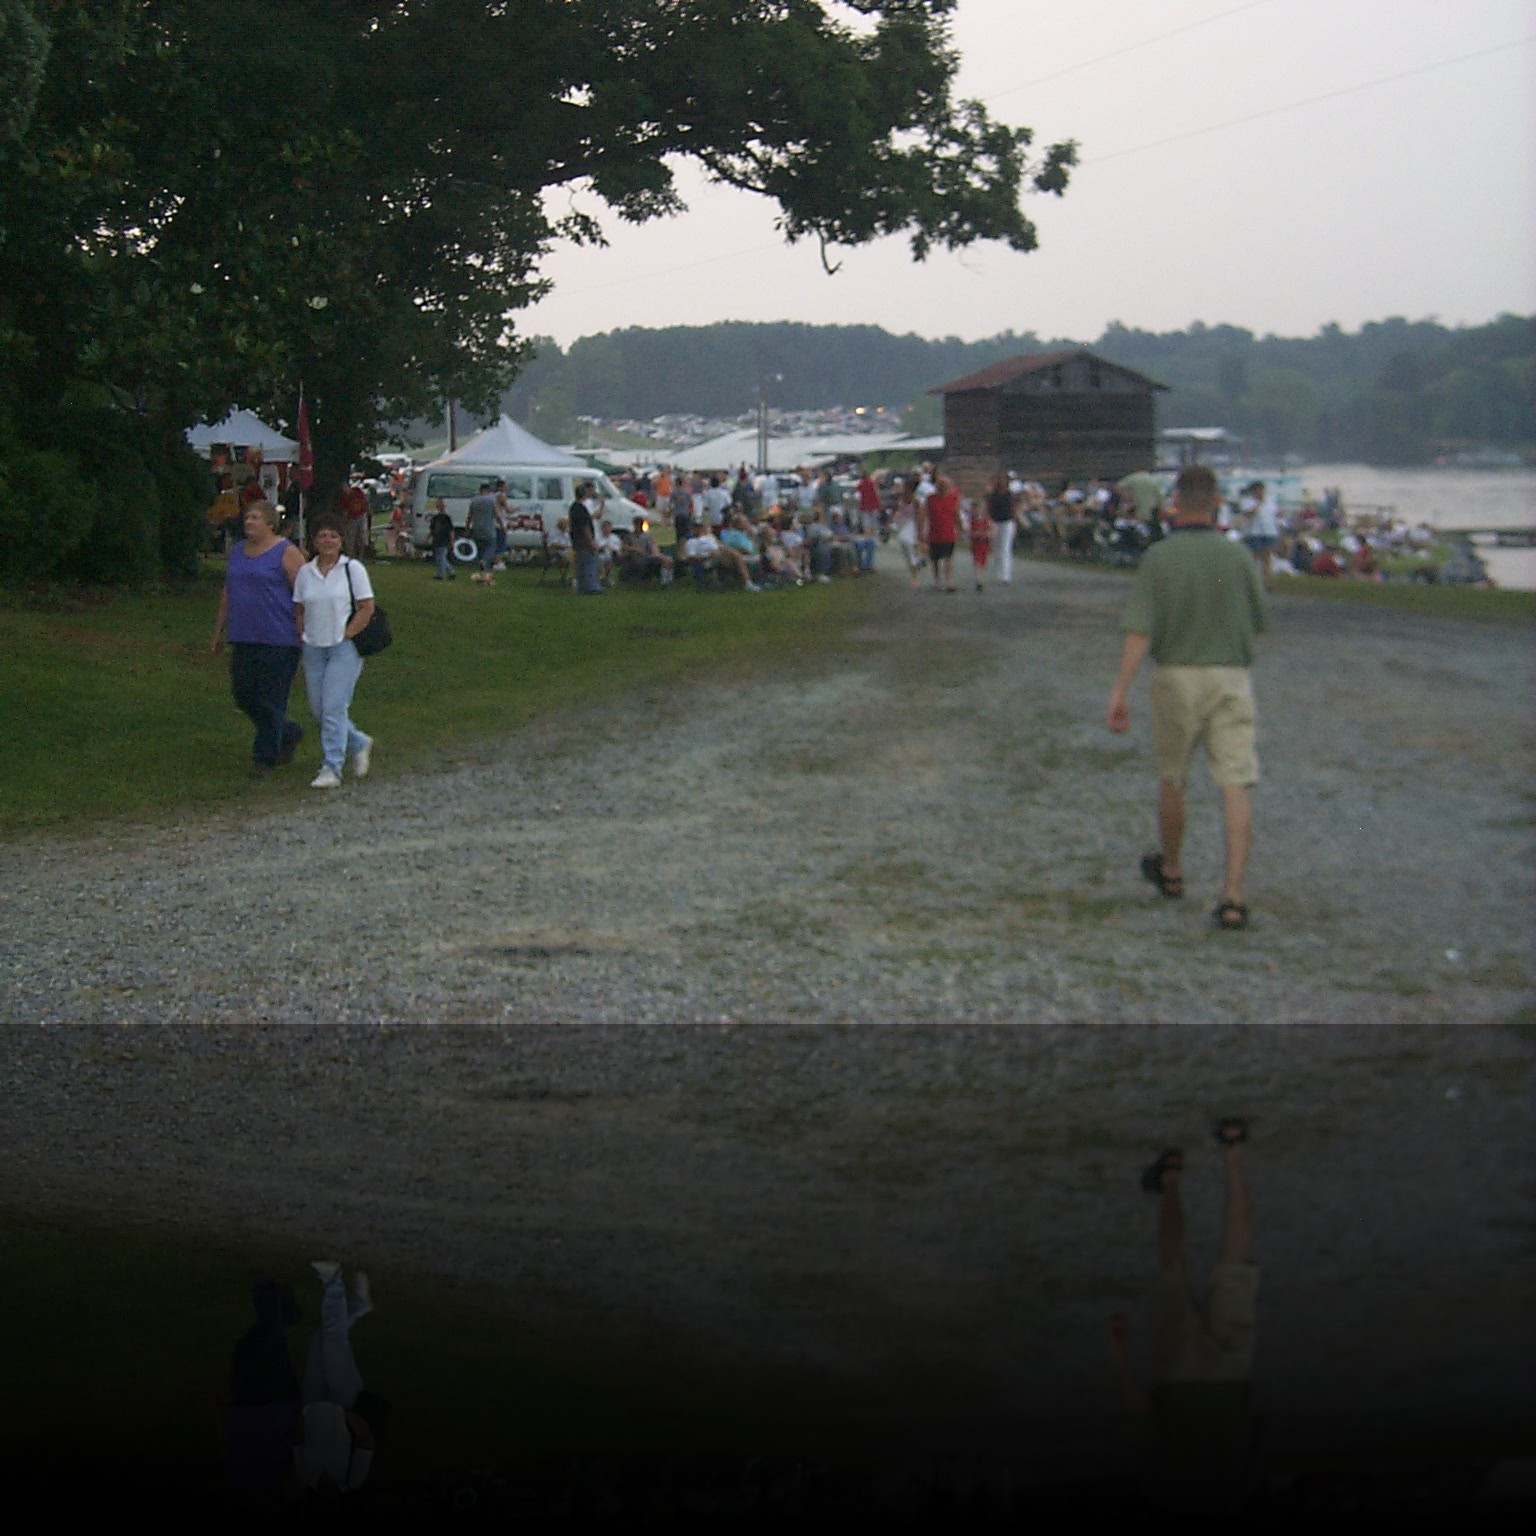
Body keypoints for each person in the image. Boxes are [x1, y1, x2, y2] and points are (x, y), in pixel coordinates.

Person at [1105, 465, 1268, 930]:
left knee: (1174, 775)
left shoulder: (1159, 558)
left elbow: (1140, 629)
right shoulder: (1238, 557)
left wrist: (1120, 691)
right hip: (1230, 676)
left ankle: (1173, 869)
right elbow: (1259, 621)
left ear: (1175, 503)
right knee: (1234, 781)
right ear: (1217, 503)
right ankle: (1232, 894)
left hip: (1176, 675)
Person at [1107, 1120, 1261, 1514]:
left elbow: (1256, 1429)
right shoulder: (1166, 1494)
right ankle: (1172, 1177)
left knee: (1236, 1263)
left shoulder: (1238, 1494)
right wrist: (1120, 1354)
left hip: (1230, 1376)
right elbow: (1141, 1417)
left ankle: (1232, 1152)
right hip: (1178, 1375)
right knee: (1173, 1269)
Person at [212, 499, 305, 776]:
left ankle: (264, 758)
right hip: (244, 634)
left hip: (279, 637)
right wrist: (219, 630)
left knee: (272, 697)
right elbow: (229, 590)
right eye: (246, 518)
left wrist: (303, 631)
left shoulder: (286, 552)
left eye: (254, 518)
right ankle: (288, 732)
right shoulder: (238, 551)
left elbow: (304, 595)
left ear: (270, 523)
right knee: (244, 695)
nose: (248, 522)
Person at [292, 516, 375, 790]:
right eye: (322, 536)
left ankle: (332, 765)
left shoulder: (352, 569)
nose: (327, 541)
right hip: (313, 646)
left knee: (334, 707)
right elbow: (299, 608)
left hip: (343, 647)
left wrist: (348, 634)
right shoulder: (306, 572)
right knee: (319, 709)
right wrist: (302, 635)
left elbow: (366, 607)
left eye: (333, 536)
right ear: (314, 541)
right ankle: (358, 742)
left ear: (341, 541)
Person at [294, 1261, 377, 1494]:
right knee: (333, 1341)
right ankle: (333, 1281)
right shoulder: (351, 1480)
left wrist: (302, 1416)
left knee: (321, 1337)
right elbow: (367, 1442)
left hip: (313, 1405)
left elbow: (298, 1440)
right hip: (344, 1403)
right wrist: (350, 1416)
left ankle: (358, 1306)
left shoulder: (305, 1475)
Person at [921, 473, 960, 592]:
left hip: (948, 532)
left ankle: (948, 581)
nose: (942, 487)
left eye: (945, 485)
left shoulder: (953, 498)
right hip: (934, 533)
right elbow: (924, 514)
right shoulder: (930, 499)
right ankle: (937, 581)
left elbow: (956, 514)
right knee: (935, 559)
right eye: (940, 485)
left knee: (948, 558)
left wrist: (960, 527)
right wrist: (922, 530)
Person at [568, 482, 600, 594]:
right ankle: (591, 587)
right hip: (584, 541)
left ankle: (581, 586)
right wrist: (591, 541)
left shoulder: (573, 507)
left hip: (576, 540)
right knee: (589, 563)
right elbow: (585, 526)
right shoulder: (581, 509)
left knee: (580, 564)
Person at [987, 471, 1017, 585]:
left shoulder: (1009, 494)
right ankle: (998, 572)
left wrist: (1013, 522)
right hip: (995, 522)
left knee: (1005, 548)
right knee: (996, 548)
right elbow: (990, 508)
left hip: (1007, 522)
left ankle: (1006, 575)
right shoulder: (993, 495)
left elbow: (1013, 508)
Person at [466, 481, 498, 583]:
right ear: (488, 490)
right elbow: (497, 514)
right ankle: (484, 561)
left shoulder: (474, 501)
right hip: (489, 529)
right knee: (490, 547)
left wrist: (467, 529)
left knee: (480, 549)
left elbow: (469, 516)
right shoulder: (491, 500)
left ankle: (483, 574)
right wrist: (502, 525)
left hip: (477, 529)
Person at [339, 478, 372, 559]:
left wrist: (369, 512)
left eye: (345, 487)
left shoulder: (357, 491)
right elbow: (345, 511)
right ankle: (351, 556)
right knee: (351, 538)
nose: (344, 489)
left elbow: (365, 502)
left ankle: (361, 556)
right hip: (352, 518)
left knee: (362, 537)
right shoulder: (344, 498)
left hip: (361, 515)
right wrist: (345, 522)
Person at [966, 496, 992, 591]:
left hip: (985, 543)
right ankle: (978, 580)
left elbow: (992, 530)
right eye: (977, 509)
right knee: (977, 561)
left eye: (981, 508)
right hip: (976, 544)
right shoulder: (972, 521)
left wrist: (988, 534)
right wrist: (974, 534)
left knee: (983, 562)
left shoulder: (987, 520)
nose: (979, 511)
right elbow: (969, 531)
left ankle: (981, 577)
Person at [429, 496, 456, 580]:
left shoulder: (446, 518)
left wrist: (452, 541)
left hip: (444, 540)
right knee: (441, 557)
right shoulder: (435, 518)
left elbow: (451, 530)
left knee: (441, 557)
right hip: (437, 539)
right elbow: (432, 530)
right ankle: (451, 571)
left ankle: (440, 574)